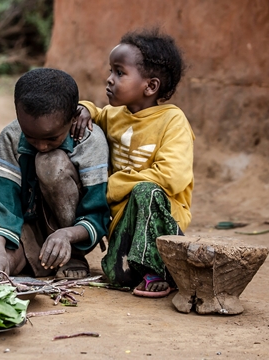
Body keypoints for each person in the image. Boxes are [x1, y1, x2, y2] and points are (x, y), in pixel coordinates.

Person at [78, 28, 194, 297]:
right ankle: (140, 267)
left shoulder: (172, 121)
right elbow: (97, 112)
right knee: (119, 278)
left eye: (119, 73)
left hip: (162, 220)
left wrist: (115, 184)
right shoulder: (116, 115)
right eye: (110, 71)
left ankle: (161, 269)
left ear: (150, 86)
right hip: (123, 220)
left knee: (146, 190)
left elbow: (173, 176)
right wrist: (84, 107)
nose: (109, 79)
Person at [0, 68, 111, 278]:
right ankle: (37, 256)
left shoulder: (90, 141)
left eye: (51, 138)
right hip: (28, 226)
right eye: (31, 137)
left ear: (73, 119)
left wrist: (67, 235)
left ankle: (73, 255)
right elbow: (2, 203)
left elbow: (97, 212)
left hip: (72, 231)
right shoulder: (11, 135)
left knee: (50, 162)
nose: (41, 145)